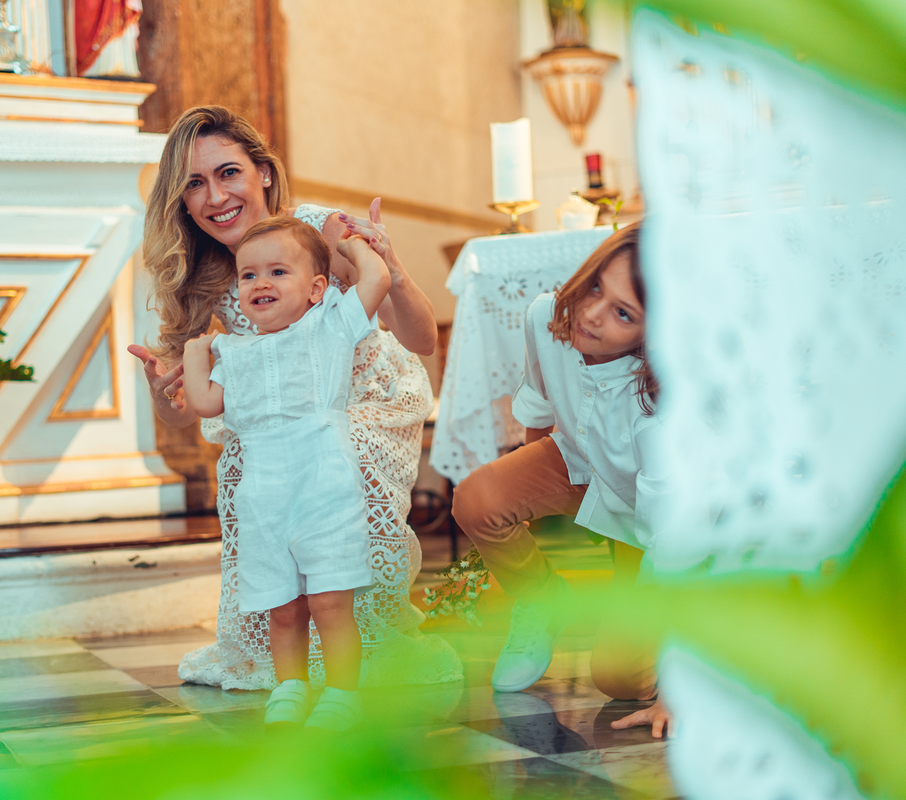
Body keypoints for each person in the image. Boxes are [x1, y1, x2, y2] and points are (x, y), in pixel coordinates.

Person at [128, 105, 461, 690]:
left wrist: (386, 261)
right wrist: (163, 396)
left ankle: (359, 640)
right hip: (276, 419)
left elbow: (421, 339)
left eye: (228, 172)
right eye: (194, 185)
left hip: (365, 399)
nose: (215, 196)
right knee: (247, 462)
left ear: (262, 171)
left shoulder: (314, 233)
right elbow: (186, 409)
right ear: (180, 201)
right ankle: (285, 641)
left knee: (336, 449)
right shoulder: (197, 276)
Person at [451, 222, 673, 735]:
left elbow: (675, 544)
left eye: (623, 313)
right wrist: (525, 506)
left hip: (656, 521)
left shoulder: (661, 411)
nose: (592, 315)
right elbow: (538, 400)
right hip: (579, 463)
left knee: (618, 675)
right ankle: (541, 602)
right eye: (596, 286)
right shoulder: (546, 315)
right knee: (480, 497)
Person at [181, 216, 389, 729]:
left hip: (324, 486)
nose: (261, 284)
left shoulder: (331, 324)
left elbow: (378, 280)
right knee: (283, 606)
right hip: (263, 495)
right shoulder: (235, 350)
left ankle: (343, 692)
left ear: (316, 288)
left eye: (278, 271)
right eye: (249, 275)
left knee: (330, 602)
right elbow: (207, 403)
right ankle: (291, 685)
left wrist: (352, 244)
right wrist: (193, 353)